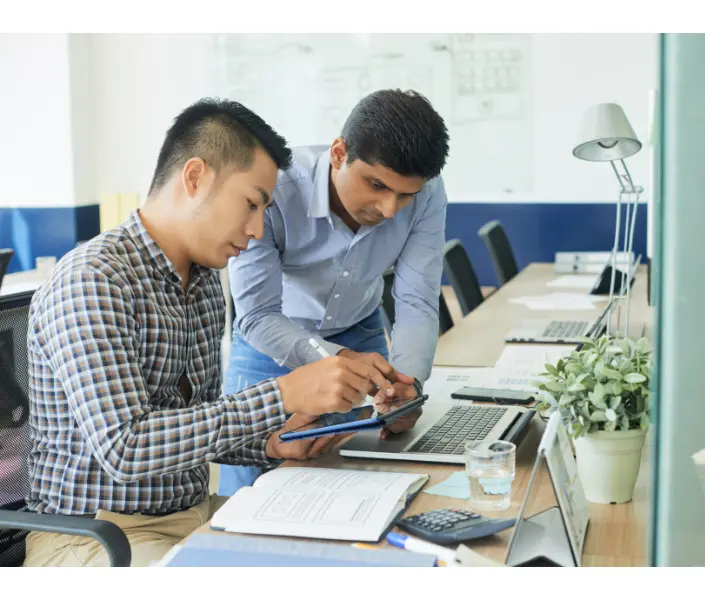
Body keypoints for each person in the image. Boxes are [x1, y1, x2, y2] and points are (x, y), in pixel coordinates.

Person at [23, 98, 397, 567]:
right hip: (95, 538)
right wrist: (283, 394)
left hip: (192, 516)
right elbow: (125, 448)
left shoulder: (201, 283)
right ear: (195, 177)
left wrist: (270, 442)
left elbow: (194, 424)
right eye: (251, 204)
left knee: (348, 557)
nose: (257, 229)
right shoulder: (94, 279)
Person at [219, 88, 451, 496]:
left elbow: (416, 299)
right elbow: (256, 315)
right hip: (269, 342)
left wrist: (408, 386)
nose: (389, 209)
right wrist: (337, 360)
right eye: (376, 185)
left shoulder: (428, 194)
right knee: (250, 490)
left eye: (405, 195)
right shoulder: (275, 189)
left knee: (361, 476)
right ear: (339, 153)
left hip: (360, 332)